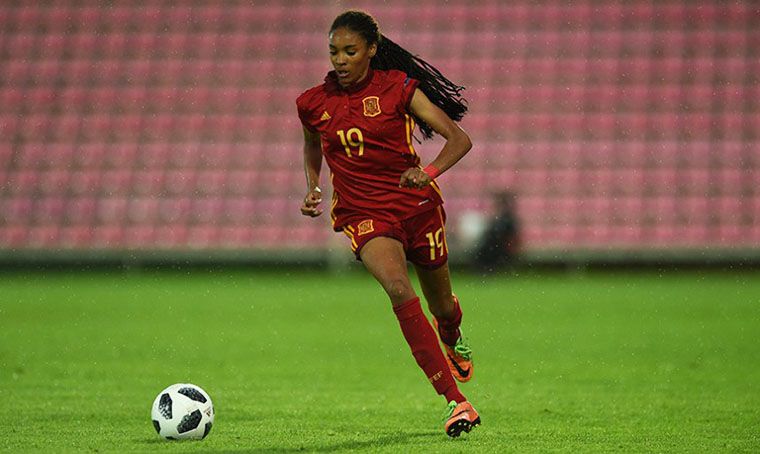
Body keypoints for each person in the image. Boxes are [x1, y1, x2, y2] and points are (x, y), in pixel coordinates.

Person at [296, 10, 479, 437]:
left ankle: (451, 335)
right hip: (364, 214)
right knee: (398, 288)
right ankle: (457, 402)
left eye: (350, 51)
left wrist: (428, 173)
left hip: (417, 208)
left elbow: (459, 139)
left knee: (443, 307)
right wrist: (312, 186)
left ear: (371, 50)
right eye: (333, 51)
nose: (339, 60)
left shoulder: (398, 89)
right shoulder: (312, 103)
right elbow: (312, 146)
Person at [473, 190, 521, 272]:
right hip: (497, 247)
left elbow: (505, 236)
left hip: (500, 249)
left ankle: (486, 269)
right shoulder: (502, 218)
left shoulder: (506, 219)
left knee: (486, 249)